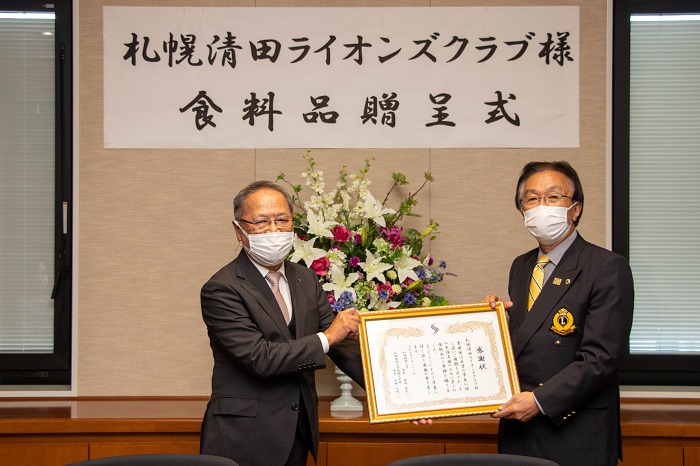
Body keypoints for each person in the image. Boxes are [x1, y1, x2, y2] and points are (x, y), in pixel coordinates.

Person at [200, 180, 364, 466]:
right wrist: (327, 337)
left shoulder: (305, 278)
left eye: (282, 220)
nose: (274, 230)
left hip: (297, 432)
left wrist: (401, 397)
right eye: (261, 222)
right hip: (242, 438)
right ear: (238, 231)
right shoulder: (221, 288)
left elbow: (344, 349)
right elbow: (259, 357)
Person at [484, 161, 634, 466]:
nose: (542, 206)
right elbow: (529, 339)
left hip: (573, 429)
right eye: (532, 198)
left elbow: (602, 357)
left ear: (575, 209)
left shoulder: (606, 267)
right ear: (522, 209)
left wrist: (539, 401)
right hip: (519, 427)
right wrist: (491, 322)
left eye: (553, 197)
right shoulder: (521, 266)